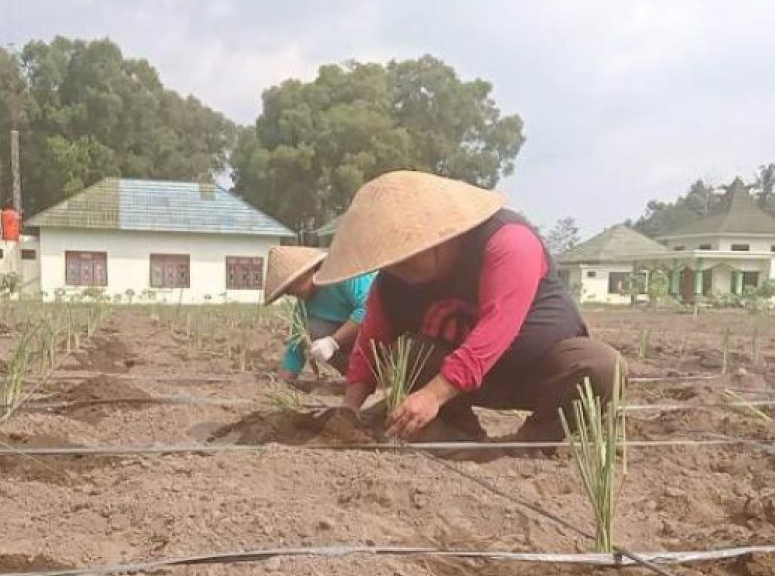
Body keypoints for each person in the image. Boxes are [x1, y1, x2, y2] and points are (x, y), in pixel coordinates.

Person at [314, 170, 622, 442]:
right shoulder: (392, 282)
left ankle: (530, 444)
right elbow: (371, 343)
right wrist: (349, 409)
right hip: (462, 386)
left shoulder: (508, 241)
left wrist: (432, 395)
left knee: (600, 365)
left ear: (440, 237)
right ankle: (463, 438)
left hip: (537, 372)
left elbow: (495, 330)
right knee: (414, 352)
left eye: (406, 254)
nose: (397, 268)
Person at [264, 245, 375, 382]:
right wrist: (281, 384)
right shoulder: (303, 307)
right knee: (311, 330)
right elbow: (296, 348)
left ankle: (385, 375)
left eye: (293, 286)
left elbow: (369, 308)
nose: (292, 293)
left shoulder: (343, 274)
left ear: (308, 272)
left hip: (384, 341)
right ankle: (360, 378)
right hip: (356, 354)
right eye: (288, 290)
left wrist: (333, 342)